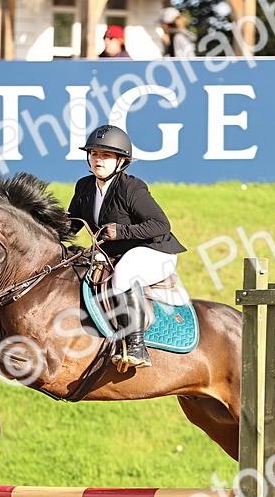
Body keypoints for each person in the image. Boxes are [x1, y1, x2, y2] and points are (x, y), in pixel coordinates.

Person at [67, 125, 186, 370]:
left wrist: (121, 232)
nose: (98, 160)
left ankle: (137, 346)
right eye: (94, 154)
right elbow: (72, 224)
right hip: (120, 254)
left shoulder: (131, 188)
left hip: (155, 251)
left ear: (121, 161)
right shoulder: (84, 186)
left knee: (125, 274)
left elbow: (161, 224)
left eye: (106, 155)